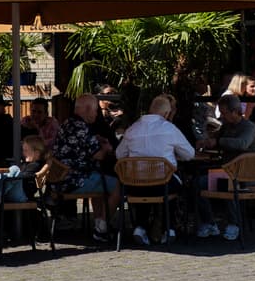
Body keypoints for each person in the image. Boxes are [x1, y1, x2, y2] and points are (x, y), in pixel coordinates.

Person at [115, 93, 193, 246]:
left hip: (134, 186)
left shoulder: (132, 129)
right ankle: (169, 228)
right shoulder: (169, 129)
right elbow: (190, 154)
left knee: (144, 180)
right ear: (166, 113)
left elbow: (119, 155)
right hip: (163, 186)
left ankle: (140, 227)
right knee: (173, 182)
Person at [53, 94, 121, 242]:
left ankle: (99, 224)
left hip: (61, 179)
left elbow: (79, 146)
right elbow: (99, 155)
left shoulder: (67, 123)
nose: (97, 114)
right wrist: (107, 148)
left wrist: (95, 139)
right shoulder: (82, 127)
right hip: (76, 180)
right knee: (117, 186)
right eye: (96, 110)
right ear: (88, 109)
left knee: (99, 183)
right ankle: (102, 228)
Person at [196, 92, 255, 241]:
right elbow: (216, 138)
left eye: (224, 113)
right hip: (228, 171)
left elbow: (242, 144)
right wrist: (206, 141)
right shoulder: (226, 126)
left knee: (226, 183)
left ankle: (234, 223)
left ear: (234, 112)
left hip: (246, 174)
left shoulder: (248, 126)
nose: (222, 117)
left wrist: (219, 142)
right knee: (198, 183)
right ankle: (209, 222)